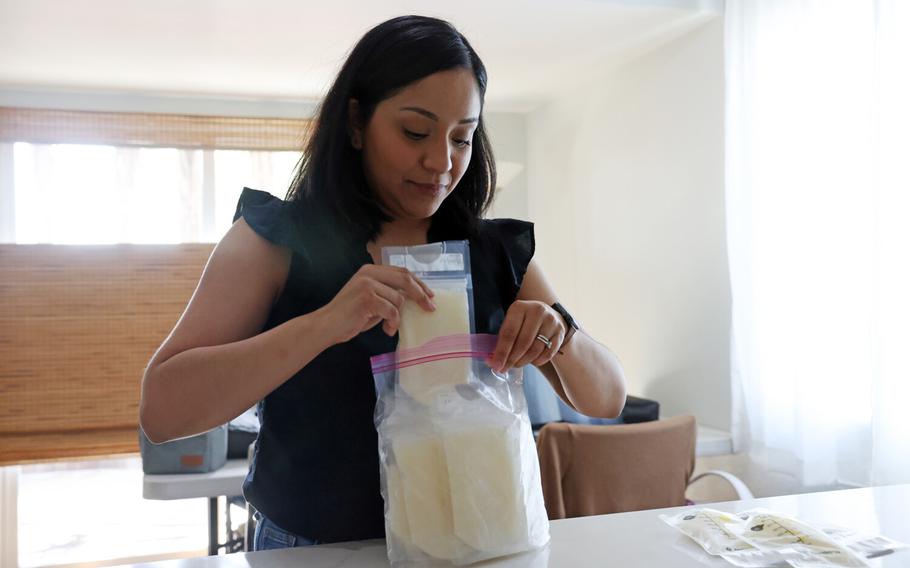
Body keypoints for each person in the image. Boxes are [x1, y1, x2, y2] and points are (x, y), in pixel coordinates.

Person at [139, 15, 626, 551]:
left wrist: (559, 332)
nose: (440, 162)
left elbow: (607, 397)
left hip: (475, 548)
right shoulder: (274, 241)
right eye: (415, 132)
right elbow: (163, 411)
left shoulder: (495, 252)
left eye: (461, 138)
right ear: (354, 123)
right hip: (312, 553)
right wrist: (325, 324)